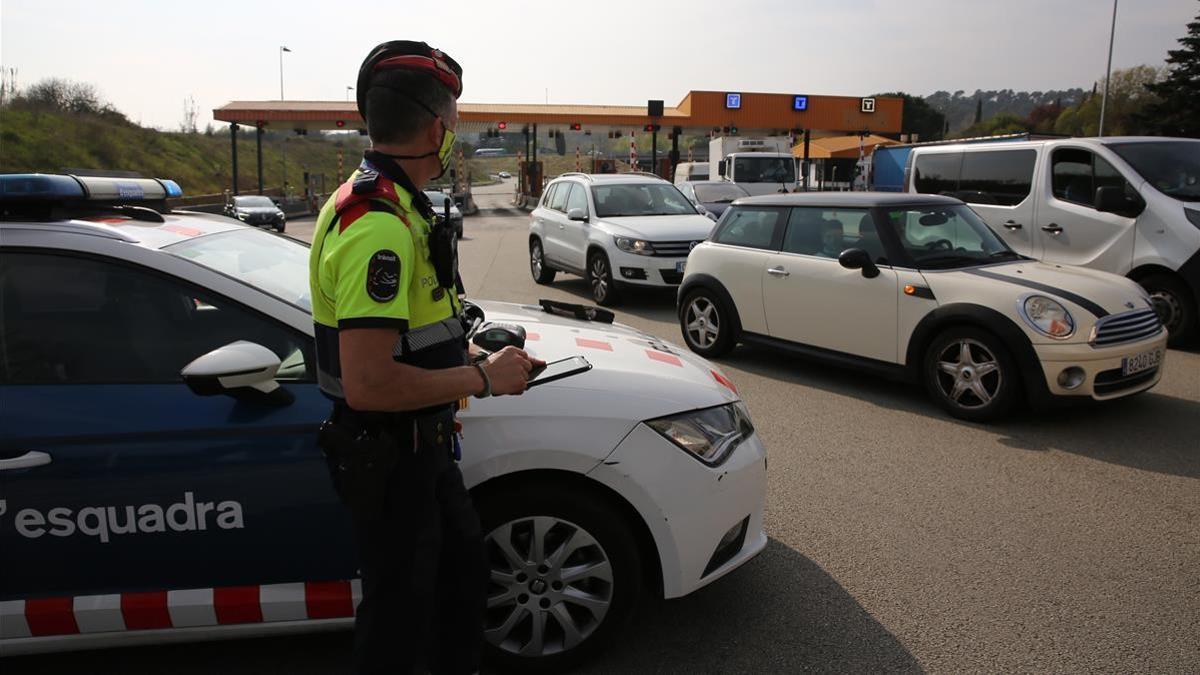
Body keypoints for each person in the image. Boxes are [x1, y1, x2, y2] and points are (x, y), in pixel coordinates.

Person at [308, 40, 542, 674]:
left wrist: (465, 351)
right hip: (394, 462)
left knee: (458, 584)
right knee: (402, 628)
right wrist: (483, 380)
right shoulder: (379, 223)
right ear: (438, 128)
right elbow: (367, 383)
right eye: (455, 124)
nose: (454, 138)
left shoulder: (387, 204)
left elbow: (404, 333)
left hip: (421, 449)